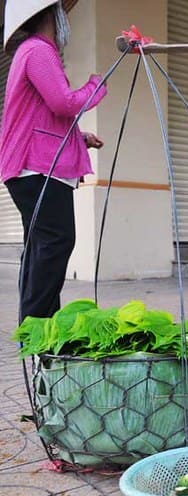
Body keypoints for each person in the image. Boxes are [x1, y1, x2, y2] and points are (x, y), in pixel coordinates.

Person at [0, 0, 107, 321]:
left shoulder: (32, 52)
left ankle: (37, 327)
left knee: (42, 248)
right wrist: (96, 86)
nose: (65, 18)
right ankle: (38, 327)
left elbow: (44, 116)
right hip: (37, 169)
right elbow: (62, 103)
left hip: (30, 169)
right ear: (50, 14)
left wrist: (79, 138)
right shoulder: (38, 51)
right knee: (54, 243)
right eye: (61, 10)